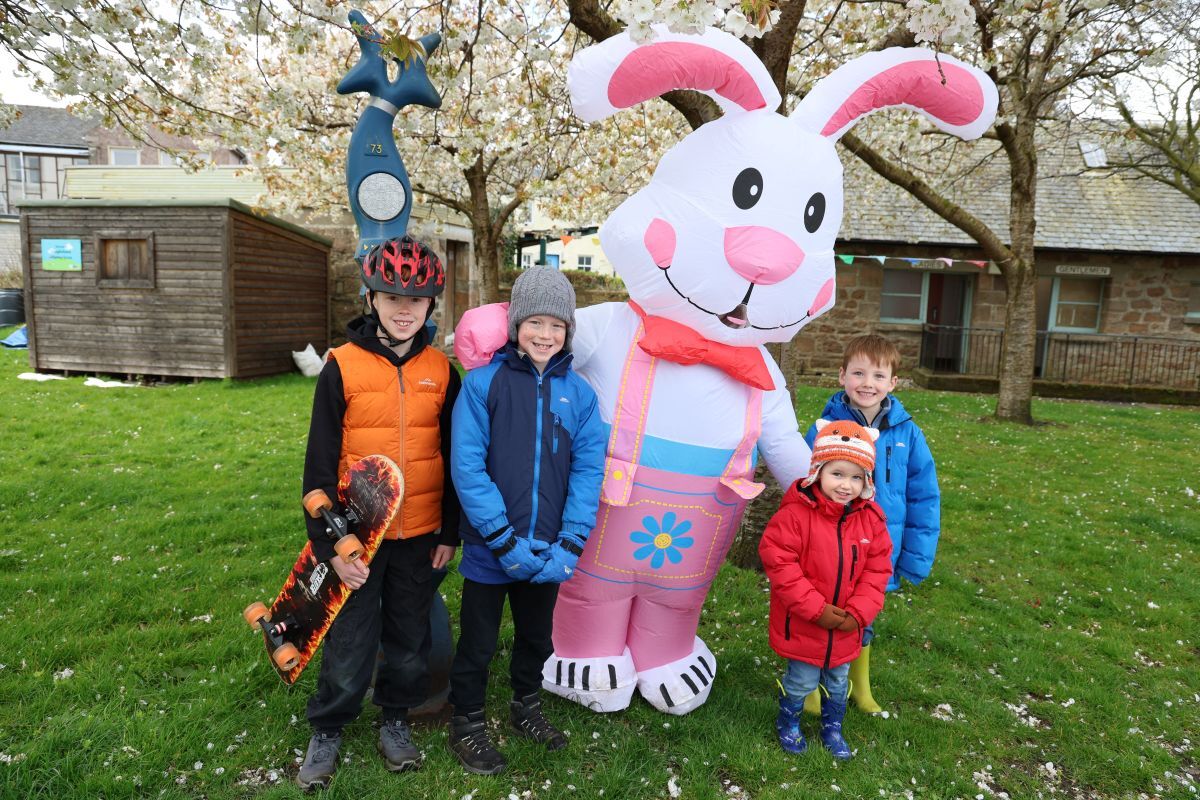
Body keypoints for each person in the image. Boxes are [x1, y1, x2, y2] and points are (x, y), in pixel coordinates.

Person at [296, 235, 461, 790]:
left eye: (416, 300)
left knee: (409, 642)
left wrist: (449, 532)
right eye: (392, 297)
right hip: (358, 537)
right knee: (350, 643)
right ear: (371, 299)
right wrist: (330, 548)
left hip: (421, 534)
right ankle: (328, 727)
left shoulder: (442, 370)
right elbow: (318, 464)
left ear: (431, 304)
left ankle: (395, 718)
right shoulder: (341, 367)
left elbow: (454, 457)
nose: (404, 309)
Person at [447, 267, 605, 775]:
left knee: (537, 638)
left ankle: (526, 705)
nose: (545, 334)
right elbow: (467, 466)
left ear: (568, 332)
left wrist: (570, 543)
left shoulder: (581, 395)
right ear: (516, 324)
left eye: (557, 325)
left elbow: (588, 471)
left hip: (548, 550)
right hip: (491, 547)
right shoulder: (483, 385)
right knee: (478, 642)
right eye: (535, 322)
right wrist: (500, 538)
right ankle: (467, 721)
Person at [803, 333, 941, 713]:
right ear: (842, 376)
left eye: (878, 376)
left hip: (879, 548)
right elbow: (805, 485)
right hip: (830, 543)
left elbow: (924, 497)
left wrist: (915, 557)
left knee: (863, 613)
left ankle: (859, 686)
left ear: (893, 383)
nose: (868, 383)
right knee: (819, 610)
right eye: (858, 373)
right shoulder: (825, 427)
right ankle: (809, 684)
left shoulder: (908, 432)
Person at [758, 419, 893, 760]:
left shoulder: (871, 520)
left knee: (838, 681)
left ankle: (832, 728)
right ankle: (789, 722)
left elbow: (877, 570)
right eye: (837, 474)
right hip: (805, 622)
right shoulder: (795, 515)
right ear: (818, 471)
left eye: (856, 477)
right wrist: (816, 610)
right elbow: (781, 564)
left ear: (867, 480)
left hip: (847, 625)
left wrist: (858, 613)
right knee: (801, 679)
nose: (846, 485)